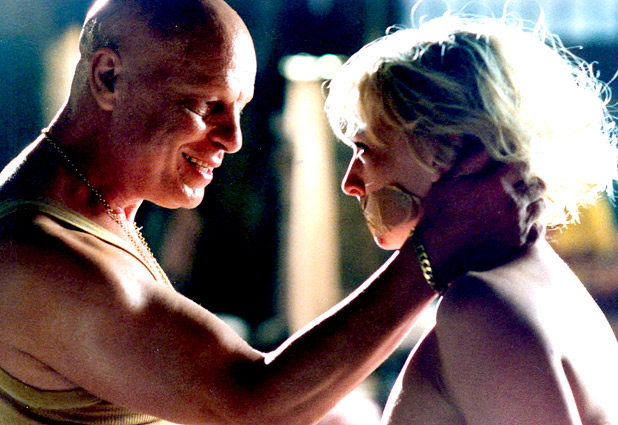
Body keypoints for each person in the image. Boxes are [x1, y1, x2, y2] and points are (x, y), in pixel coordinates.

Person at [0, 1, 543, 424]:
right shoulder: (32, 254)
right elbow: (253, 401)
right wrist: (435, 251)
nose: (233, 139)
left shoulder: (99, 215)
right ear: (108, 78)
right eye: (208, 105)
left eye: (239, 109)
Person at [324, 14, 618, 425]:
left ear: (449, 149)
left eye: (366, 148)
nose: (350, 182)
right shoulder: (547, 287)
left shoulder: (480, 307)